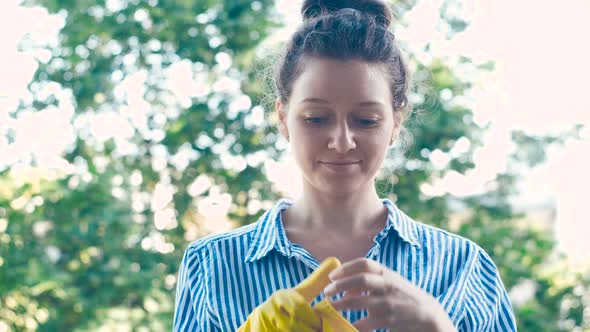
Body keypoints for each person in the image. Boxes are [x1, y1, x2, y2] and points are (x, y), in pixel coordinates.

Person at [173, 0, 517, 331]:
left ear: (396, 122)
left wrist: (438, 327)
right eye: (316, 118)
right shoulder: (212, 265)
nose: (341, 141)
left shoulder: (462, 267)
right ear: (282, 118)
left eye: (366, 120)